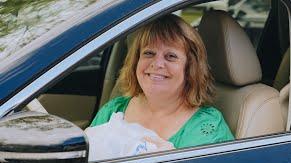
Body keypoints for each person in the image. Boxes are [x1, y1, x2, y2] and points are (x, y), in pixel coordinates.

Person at [90, 14, 234, 150]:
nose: (157, 63)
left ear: (190, 68)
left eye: (170, 56)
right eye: (149, 53)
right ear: (136, 61)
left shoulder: (207, 128)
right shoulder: (112, 110)